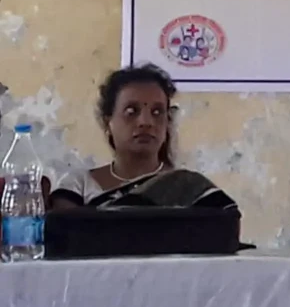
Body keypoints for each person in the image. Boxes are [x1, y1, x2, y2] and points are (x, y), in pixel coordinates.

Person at [50, 64, 236, 211]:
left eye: (157, 112)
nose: (146, 122)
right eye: (131, 111)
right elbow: (66, 241)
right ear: (108, 123)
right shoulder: (77, 187)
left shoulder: (191, 190)